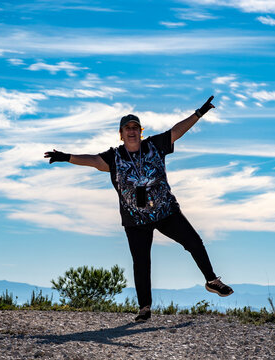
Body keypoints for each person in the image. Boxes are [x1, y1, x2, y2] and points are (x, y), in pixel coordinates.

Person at [44, 96, 233, 322]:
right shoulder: (114, 157)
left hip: (166, 212)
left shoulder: (154, 145)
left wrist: (199, 113)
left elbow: (177, 131)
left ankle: (212, 281)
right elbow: (93, 160)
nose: (131, 131)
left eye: (135, 127)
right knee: (141, 262)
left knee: (194, 242)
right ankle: (145, 308)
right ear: (121, 134)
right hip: (135, 221)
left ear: (140, 131)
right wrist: (66, 157)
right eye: (127, 128)